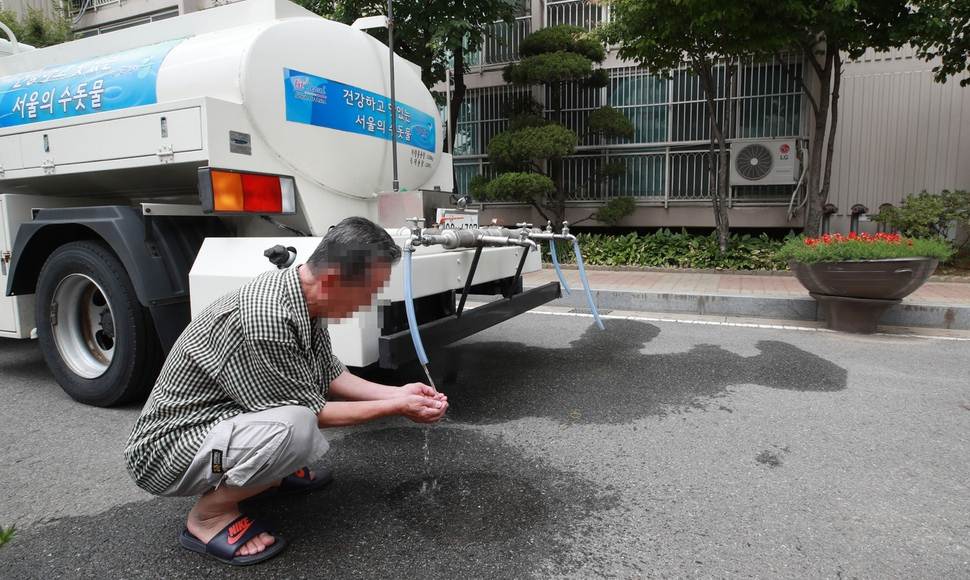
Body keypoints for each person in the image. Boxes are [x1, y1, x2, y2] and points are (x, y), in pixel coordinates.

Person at [123, 216, 448, 566]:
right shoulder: (268, 316)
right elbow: (312, 412)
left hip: (220, 420)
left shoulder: (304, 296)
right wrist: (397, 407)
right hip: (168, 448)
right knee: (296, 429)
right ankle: (208, 517)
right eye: (370, 291)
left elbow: (330, 373)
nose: (370, 302)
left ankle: (268, 473)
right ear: (334, 279)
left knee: (296, 428)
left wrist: (397, 392)